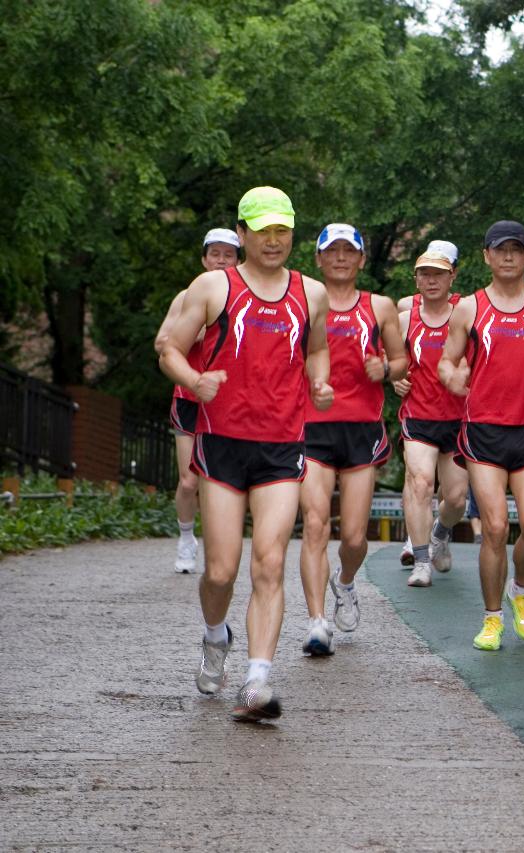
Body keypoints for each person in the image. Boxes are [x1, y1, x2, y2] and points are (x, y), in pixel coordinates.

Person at [159, 186, 334, 722]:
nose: (274, 240)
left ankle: (258, 679)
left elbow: (319, 348)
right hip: (223, 444)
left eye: (283, 229)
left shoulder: (312, 293)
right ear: (242, 233)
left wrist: (320, 383)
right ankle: (216, 637)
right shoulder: (215, 286)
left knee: (270, 560)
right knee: (219, 571)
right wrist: (195, 380)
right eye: (263, 230)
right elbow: (168, 346)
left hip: (282, 445)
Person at [439, 220, 524, 651]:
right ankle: (492, 618)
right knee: (494, 527)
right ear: (487, 256)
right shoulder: (469, 309)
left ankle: (521, 590)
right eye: (501, 249)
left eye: (517, 249)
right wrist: (453, 378)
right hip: (483, 433)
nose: (509, 256)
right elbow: (446, 361)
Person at [297, 224, 406, 656]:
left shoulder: (379, 307)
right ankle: (316, 623)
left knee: (355, 538)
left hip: (361, 429)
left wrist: (387, 370)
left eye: (349, 251)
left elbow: (400, 360)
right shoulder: (303, 303)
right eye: (332, 251)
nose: (340, 257)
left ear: (361, 260)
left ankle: (344, 582)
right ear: (319, 259)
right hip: (313, 427)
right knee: (316, 525)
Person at [154, 228, 241, 573]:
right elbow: (162, 344)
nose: (221, 260)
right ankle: (186, 538)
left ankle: (217, 548)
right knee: (190, 480)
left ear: (238, 259)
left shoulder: (244, 297)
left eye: (228, 254)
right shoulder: (187, 296)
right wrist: (201, 332)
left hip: (228, 402)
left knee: (218, 481)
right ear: (204, 259)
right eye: (215, 254)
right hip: (189, 398)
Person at [395, 243, 469, 587]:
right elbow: (393, 361)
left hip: (459, 418)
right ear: (416, 279)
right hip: (419, 416)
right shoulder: (403, 317)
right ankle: (421, 561)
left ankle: (440, 534)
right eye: (424, 273)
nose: (431, 279)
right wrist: (395, 377)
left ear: (452, 276)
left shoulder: (467, 313)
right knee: (421, 484)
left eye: (438, 273)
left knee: (455, 500)